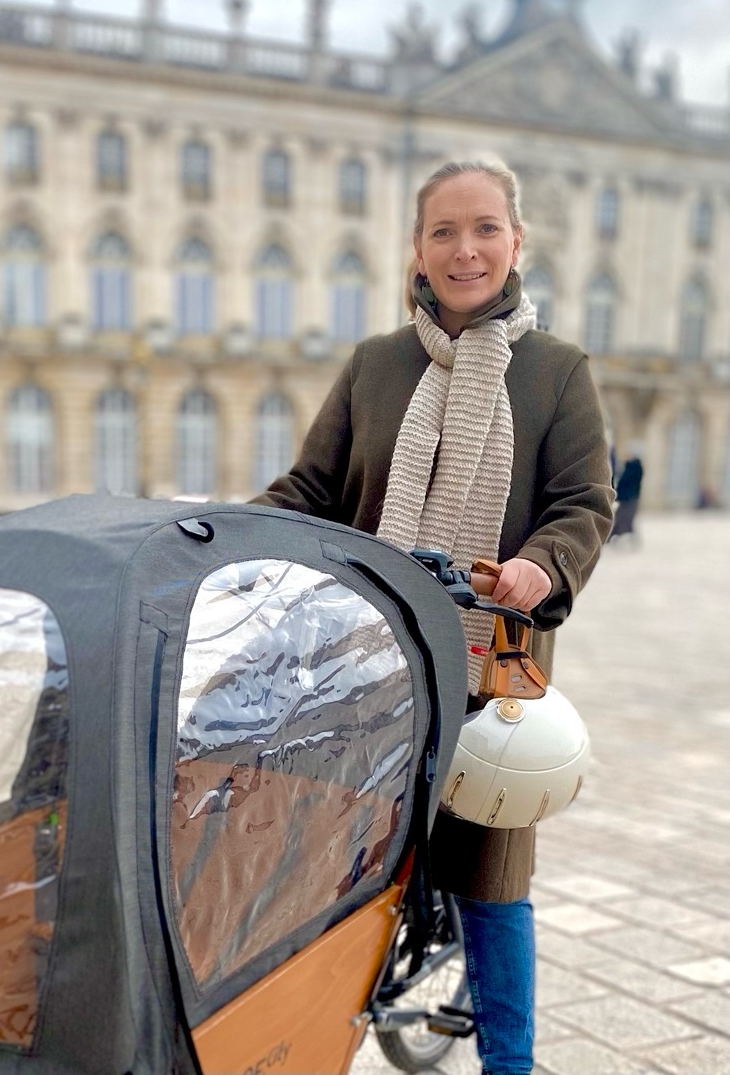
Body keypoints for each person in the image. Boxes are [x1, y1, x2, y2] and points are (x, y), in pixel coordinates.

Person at [252, 160, 614, 1075]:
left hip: (492, 668)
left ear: (516, 242)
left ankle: (509, 1063)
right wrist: (224, 534)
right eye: (444, 231)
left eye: (486, 228)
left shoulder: (558, 371)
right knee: (334, 849)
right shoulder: (376, 365)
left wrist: (540, 565)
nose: (465, 250)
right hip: (365, 659)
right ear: (417, 248)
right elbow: (311, 490)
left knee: (492, 881)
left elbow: (583, 503)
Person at [609, 451, 644, 541]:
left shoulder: (633, 468)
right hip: (628, 497)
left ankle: (613, 536)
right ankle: (613, 535)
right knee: (623, 518)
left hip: (629, 497)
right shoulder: (630, 467)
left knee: (624, 517)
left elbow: (627, 484)